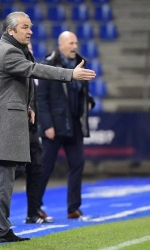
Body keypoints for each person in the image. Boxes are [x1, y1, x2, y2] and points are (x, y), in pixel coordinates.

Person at [0, 12, 95, 243]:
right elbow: (36, 70)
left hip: (9, 122)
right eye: (25, 27)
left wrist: (29, 105)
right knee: (4, 177)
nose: (30, 31)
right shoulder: (8, 52)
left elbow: (25, 80)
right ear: (11, 31)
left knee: (8, 176)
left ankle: (0, 227)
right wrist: (71, 74)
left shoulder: (14, 50)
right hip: (3, 124)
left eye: (30, 27)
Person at [0, 43, 53, 226]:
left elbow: (36, 99)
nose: (31, 51)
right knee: (14, 169)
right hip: (14, 128)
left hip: (32, 128)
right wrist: (71, 74)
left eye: (32, 49)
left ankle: (33, 213)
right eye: (27, 48)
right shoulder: (14, 65)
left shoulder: (31, 69)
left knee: (36, 169)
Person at [37, 31, 95, 219]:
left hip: (75, 123)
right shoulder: (48, 64)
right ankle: (34, 207)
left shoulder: (81, 63)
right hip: (54, 124)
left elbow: (83, 92)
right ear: (60, 45)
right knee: (45, 167)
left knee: (77, 163)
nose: (74, 46)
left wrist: (89, 102)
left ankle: (73, 208)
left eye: (76, 43)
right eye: (71, 43)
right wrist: (46, 125)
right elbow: (41, 98)